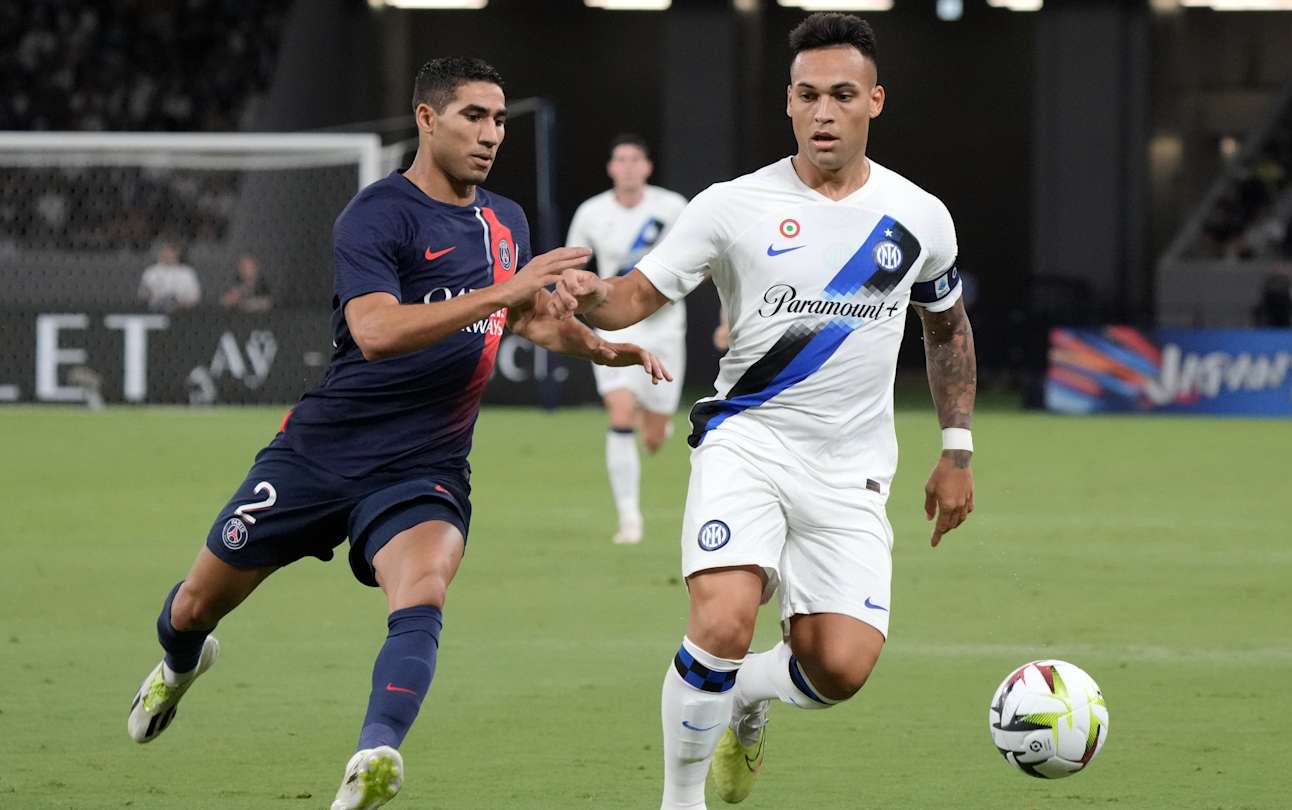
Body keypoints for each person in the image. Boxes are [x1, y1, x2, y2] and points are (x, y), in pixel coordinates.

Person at [124, 56, 670, 810]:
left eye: (499, 119)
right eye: (473, 116)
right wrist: (502, 291)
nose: (491, 134)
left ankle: (374, 755)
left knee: (424, 590)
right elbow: (376, 331)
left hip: (426, 462)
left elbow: (526, 316)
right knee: (193, 608)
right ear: (426, 119)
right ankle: (179, 667)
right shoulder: (376, 214)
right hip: (321, 451)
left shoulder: (505, 222)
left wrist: (602, 348)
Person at [553, 14, 977, 808]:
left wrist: (957, 448)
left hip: (851, 467)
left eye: (842, 95)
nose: (824, 112)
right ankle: (680, 800)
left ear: (875, 101)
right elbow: (633, 296)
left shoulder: (919, 216)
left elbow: (946, 327)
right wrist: (588, 297)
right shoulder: (731, 205)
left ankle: (747, 690)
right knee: (722, 620)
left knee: (839, 668)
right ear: (788, 101)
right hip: (746, 441)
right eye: (808, 95)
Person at [565, 134, 689, 544]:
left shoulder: (672, 207)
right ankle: (629, 518)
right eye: (621, 159)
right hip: (615, 322)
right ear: (611, 168)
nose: (629, 166)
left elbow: (706, 259)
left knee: (653, 435)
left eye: (636, 159)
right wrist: (568, 298)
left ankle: (657, 421)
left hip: (664, 325)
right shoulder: (592, 212)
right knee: (620, 412)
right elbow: (573, 262)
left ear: (647, 167)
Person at [138, 241, 202, 312]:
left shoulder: (187, 273)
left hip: (182, 312)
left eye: (170, 251)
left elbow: (195, 298)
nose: (167, 254)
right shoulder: (150, 271)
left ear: (177, 253)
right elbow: (142, 294)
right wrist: (147, 295)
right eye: (164, 251)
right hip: (155, 311)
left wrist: (179, 303)